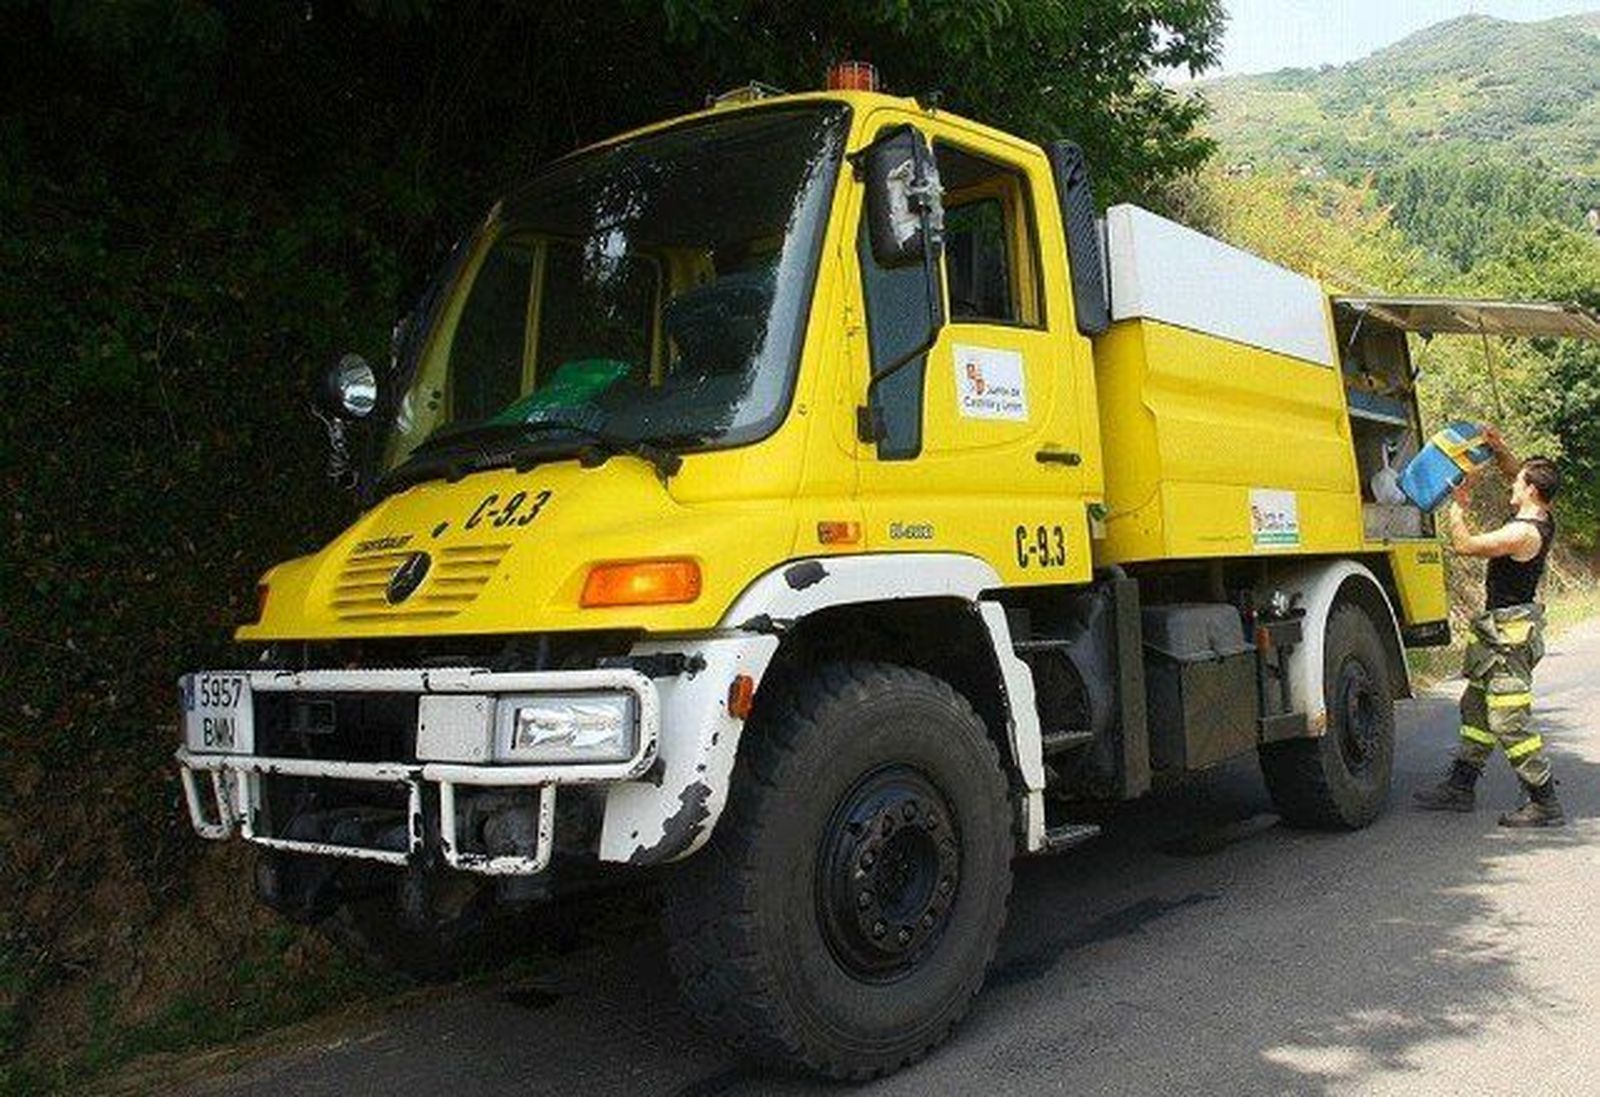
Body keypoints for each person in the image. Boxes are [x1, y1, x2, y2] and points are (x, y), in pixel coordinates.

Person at [1414, 428, 1564, 827]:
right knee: (1475, 707)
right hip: (1497, 632)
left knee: (1509, 720)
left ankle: (1543, 800)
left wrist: (1456, 506)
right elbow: (1517, 470)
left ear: (1531, 490)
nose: (1511, 482)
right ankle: (1461, 788)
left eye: (1518, 482)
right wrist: (1500, 450)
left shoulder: (1521, 532)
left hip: (1508, 639)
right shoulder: (1542, 513)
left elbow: (1465, 545)